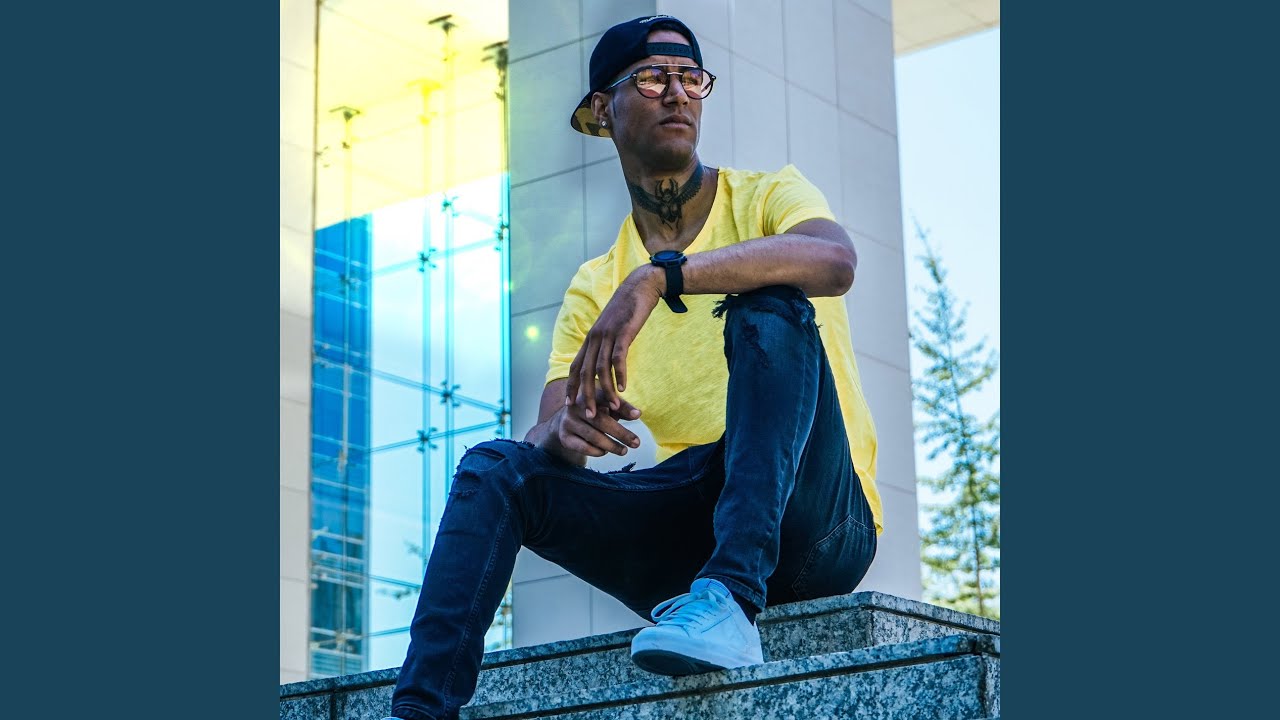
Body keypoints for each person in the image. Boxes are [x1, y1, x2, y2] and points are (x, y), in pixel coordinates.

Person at [384, 15, 883, 720]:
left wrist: (661, 276)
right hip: (692, 529)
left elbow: (835, 261)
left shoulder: (769, 196)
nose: (677, 93)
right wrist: (566, 434)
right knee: (495, 468)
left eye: (691, 78)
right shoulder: (596, 286)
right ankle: (420, 710)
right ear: (602, 110)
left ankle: (731, 598)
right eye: (652, 78)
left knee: (769, 303)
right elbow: (546, 431)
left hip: (819, 522)